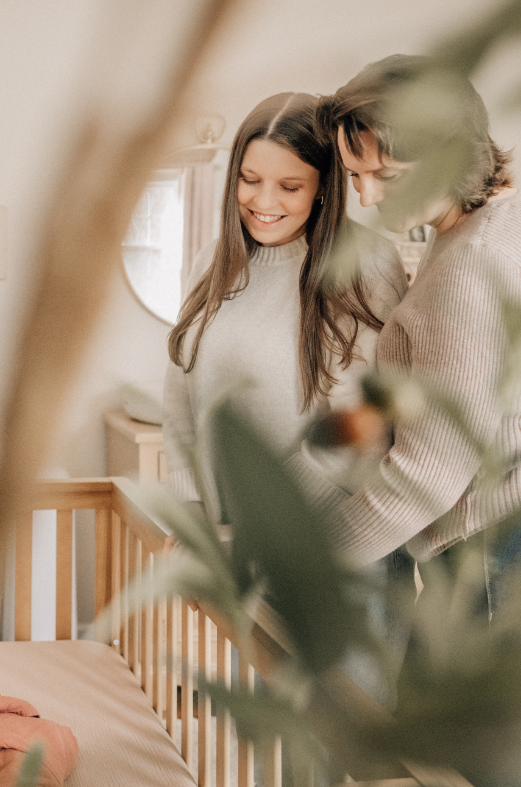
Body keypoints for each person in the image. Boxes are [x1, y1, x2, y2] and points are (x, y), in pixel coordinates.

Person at [305, 55, 521, 787]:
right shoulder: (496, 223)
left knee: (499, 778)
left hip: (517, 542)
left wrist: (312, 559)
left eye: (387, 172)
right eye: (356, 176)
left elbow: (428, 473)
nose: (368, 195)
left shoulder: (472, 262)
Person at [162, 91, 410, 706]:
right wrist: (192, 507)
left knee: (344, 750)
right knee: (257, 748)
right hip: (243, 547)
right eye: (249, 180)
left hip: (342, 549)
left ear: (326, 187)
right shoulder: (214, 263)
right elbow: (182, 400)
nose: (262, 202)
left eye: (289, 187)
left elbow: (376, 416)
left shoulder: (368, 264)